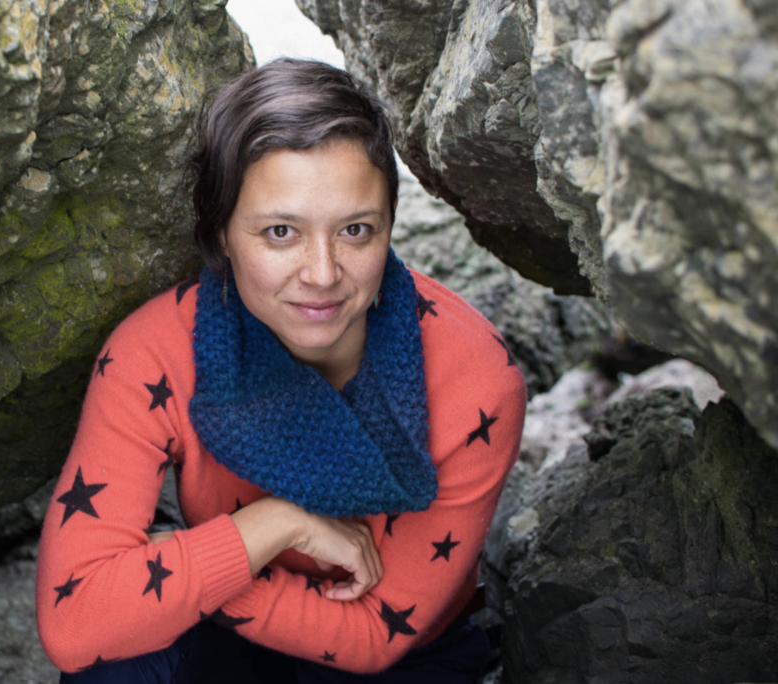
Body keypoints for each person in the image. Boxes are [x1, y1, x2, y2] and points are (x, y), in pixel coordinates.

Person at [36, 59, 527, 683]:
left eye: (356, 230)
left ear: (390, 226)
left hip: (403, 657)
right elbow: (74, 624)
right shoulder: (155, 353)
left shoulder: (476, 382)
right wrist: (275, 524)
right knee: (115, 668)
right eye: (280, 232)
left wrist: (183, 568)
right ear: (221, 234)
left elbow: (374, 634)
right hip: (228, 644)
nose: (322, 274)